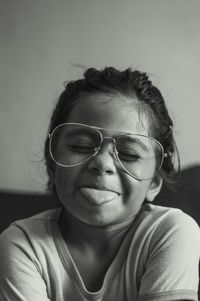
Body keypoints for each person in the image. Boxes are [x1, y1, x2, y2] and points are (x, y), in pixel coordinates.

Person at [0, 67, 199, 301]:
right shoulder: (21, 244)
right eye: (81, 146)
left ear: (154, 181)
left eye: (129, 154)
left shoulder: (171, 232)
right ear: (52, 163)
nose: (102, 163)